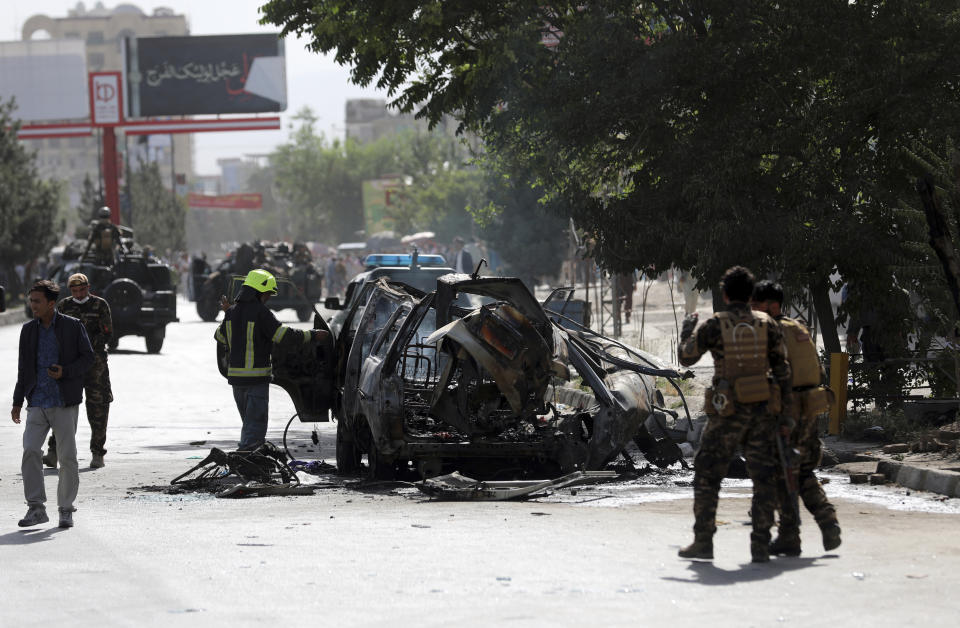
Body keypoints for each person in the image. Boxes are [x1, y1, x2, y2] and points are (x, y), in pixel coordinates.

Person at [677, 266, 793, 563]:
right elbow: (783, 371)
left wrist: (686, 331)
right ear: (750, 295)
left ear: (725, 294)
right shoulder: (768, 324)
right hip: (763, 412)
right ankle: (761, 545)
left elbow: (687, 357)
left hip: (727, 413)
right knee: (763, 478)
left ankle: (703, 541)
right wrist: (786, 417)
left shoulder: (715, 324)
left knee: (707, 473)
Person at [751, 280, 841, 555]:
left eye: (757, 303)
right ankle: (827, 521)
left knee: (779, 475)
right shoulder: (798, 328)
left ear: (771, 305)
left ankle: (789, 536)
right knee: (801, 472)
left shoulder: (769, 332)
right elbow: (817, 372)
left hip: (783, 412)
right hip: (809, 411)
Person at [214, 269, 329, 450]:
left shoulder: (231, 313)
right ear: (259, 291)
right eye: (267, 293)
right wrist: (312, 335)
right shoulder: (261, 313)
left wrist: (229, 316)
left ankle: (250, 454)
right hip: (256, 380)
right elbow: (283, 336)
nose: (268, 297)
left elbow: (220, 338)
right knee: (256, 424)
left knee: (249, 423)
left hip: (236, 381)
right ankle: (249, 458)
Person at [11, 280, 94, 528]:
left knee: (67, 458)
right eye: (31, 301)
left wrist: (66, 372)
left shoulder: (72, 327)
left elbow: (88, 357)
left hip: (63, 402)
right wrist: (17, 401)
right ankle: (36, 508)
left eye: (37, 301)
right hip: (36, 401)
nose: (32, 306)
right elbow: (24, 368)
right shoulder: (28, 330)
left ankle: (65, 509)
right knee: (30, 451)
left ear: (51, 303)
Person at [43, 273, 114, 469]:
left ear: (88, 287)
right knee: (63, 409)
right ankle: (54, 451)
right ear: (70, 290)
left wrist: (86, 348)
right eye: (75, 291)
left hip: (95, 365)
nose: (79, 294)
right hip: (70, 366)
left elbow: (107, 333)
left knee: (98, 408)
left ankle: (98, 453)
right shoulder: (64, 306)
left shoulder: (100, 305)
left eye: (82, 290)